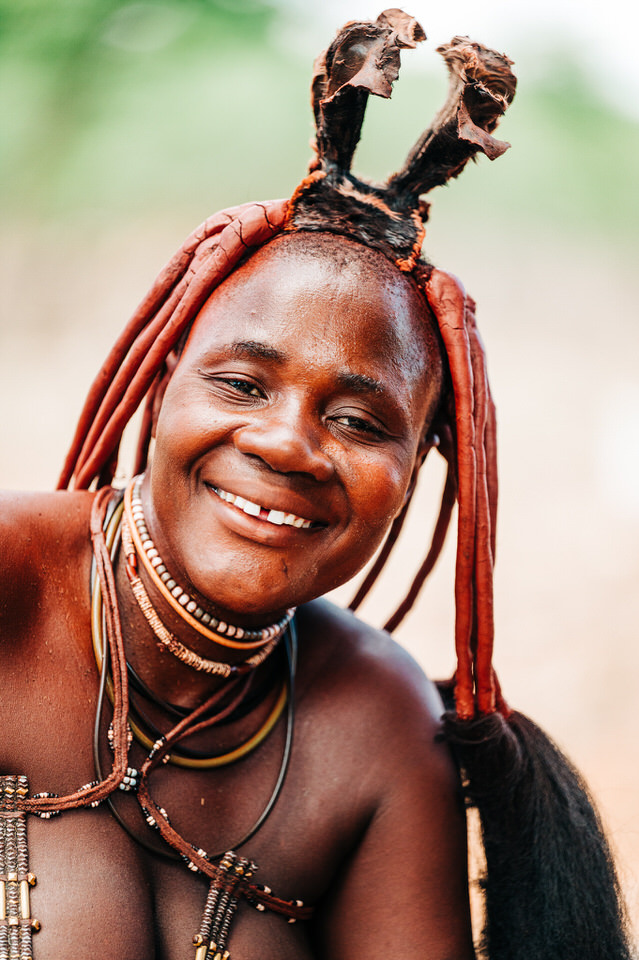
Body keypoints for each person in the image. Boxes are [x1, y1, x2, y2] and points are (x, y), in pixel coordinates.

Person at [0, 10, 632, 960]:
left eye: (358, 421)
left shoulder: (376, 723)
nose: (287, 445)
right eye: (241, 383)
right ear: (164, 380)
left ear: (416, 469)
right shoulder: (10, 587)